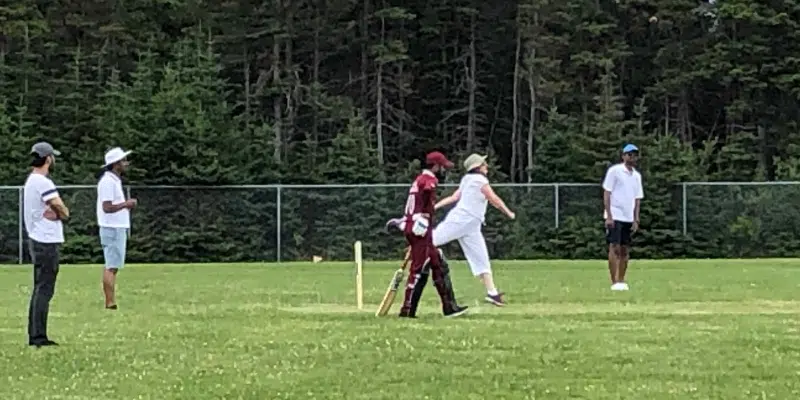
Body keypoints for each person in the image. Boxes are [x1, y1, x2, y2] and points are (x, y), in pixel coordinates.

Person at [391, 151, 468, 318]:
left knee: (438, 263)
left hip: (413, 226)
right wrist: (424, 216)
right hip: (420, 230)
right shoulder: (428, 181)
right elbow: (427, 193)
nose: (443, 171)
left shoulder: (418, 180)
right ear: (435, 166)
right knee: (418, 269)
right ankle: (407, 310)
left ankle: (449, 307)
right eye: (442, 167)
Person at [430, 154, 515, 306]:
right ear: (478, 167)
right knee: (431, 240)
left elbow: (453, 198)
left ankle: (492, 293)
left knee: (481, 258)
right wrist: (508, 212)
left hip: (471, 225)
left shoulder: (467, 179)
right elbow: (493, 199)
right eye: (484, 164)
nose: (486, 166)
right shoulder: (479, 180)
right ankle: (413, 259)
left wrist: (435, 206)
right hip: (463, 219)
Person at [23, 142, 69, 347]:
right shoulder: (43, 182)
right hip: (46, 241)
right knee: (44, 289)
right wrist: (63, 214)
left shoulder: (31, 181)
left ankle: (36, 333)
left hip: (36, 239)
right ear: (48, 158)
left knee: (39, 288)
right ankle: (38, 336)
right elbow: (59, 206)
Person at [97, 147, 137, 309]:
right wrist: (126, 204)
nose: (126, 163)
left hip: (116, 227)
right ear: (115, 164)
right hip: (112, 227)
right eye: (123, 161)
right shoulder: (107, 182)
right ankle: (110, 301)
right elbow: (107, 207)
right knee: (111, 265)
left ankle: (110, 300)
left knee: (113, 265)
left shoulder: (113, 181)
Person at [602, 144, 644, 291]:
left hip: (628, 217)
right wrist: (609, 216)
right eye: (629, 154)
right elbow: (607, 193)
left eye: (635, 155)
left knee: (625, 249)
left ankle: (621, 279)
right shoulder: (614, 171)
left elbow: (637, 199)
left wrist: (635, 218)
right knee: (614, 247)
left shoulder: (637, 176)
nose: (632, 157)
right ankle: (614, 281)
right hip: (615, 214)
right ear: (623, 156)